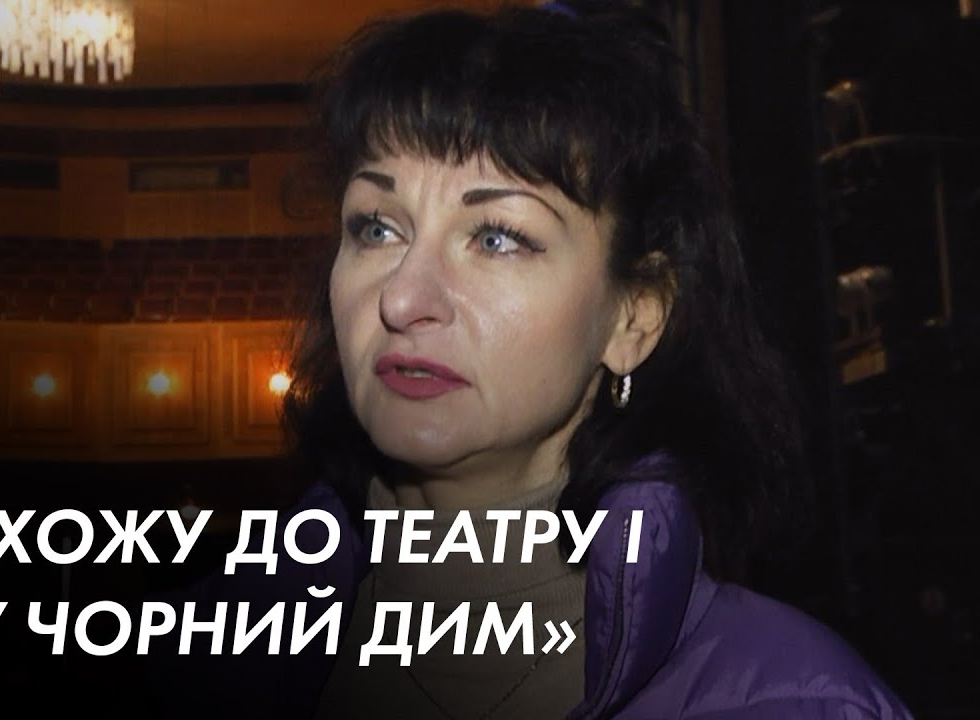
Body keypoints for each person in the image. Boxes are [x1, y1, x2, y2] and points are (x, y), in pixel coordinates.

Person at [143, 2, 914, 718]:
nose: (403, 298)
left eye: (497, 238)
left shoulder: (804, 700)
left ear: (634, 317)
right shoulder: (194, 667)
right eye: (377, 228)